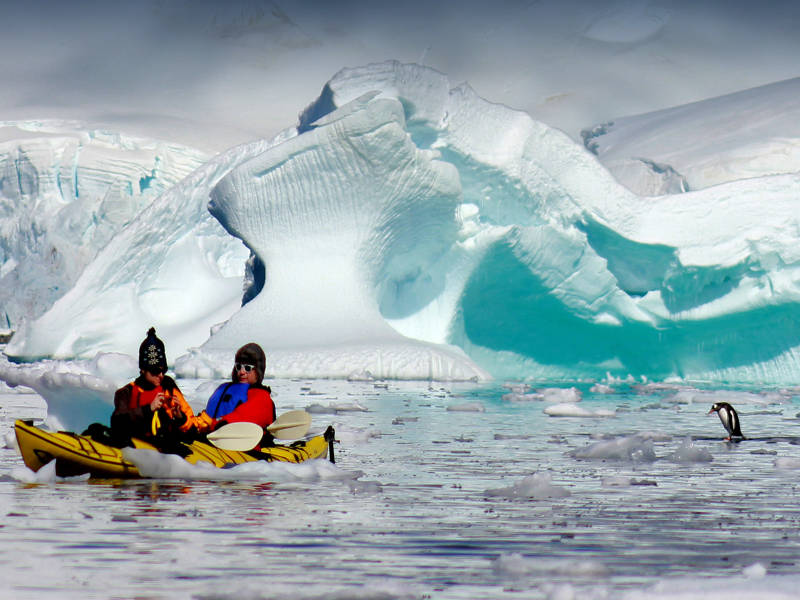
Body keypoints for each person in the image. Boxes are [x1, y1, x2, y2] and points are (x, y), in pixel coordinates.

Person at [110, 327, 213, 445]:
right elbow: (117, 422)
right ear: (143, 370)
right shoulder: (126, 392)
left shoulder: (168, 387)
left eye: (163, 371)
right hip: (136, 444)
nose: (160, 375)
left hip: (165, 446)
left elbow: (190, 426)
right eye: (154, 371)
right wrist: (149, 409)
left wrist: (180, 418)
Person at [204, 343, 276, 443]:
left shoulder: (261, 397)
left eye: (247, 368)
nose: (241, 372)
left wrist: (216, 425)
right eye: (238, 367)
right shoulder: (224, 388)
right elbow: (207, 415)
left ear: (258, 371)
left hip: (246, 448)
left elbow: (243, 416)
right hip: (212, 436)